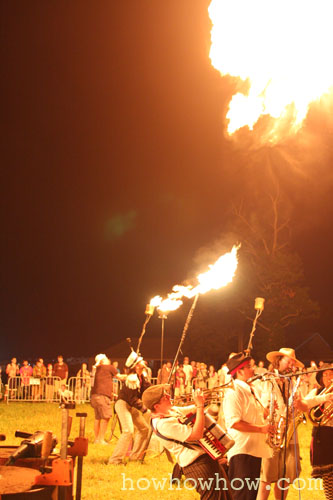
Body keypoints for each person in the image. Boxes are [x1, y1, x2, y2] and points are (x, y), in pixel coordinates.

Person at [142, 383, 232, 500]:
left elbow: (194, 410)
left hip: (205, 458)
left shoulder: (171, 411)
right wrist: (200, 406)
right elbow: (196, 434)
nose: (169, 396)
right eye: (165, 397)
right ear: (156, 406)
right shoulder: (163, 424)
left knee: (227, 496)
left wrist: (202, 400)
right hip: (196, 465)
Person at [223, 352, 273, 500]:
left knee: (250, 495)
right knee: (241, 495)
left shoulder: (251, 389)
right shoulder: (234, 391)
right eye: (250, 366)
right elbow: (234, 422)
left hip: (254, 449)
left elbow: (253, 416)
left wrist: (266, 412)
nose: (254, 369)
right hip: (242, 451)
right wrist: (261, 429)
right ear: (240, 371)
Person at [257, 347, 304, 500]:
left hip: (288, 434)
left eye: (293, 362)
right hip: (272, 434)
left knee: (284, 478)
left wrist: (297, 406)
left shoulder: (292, 382)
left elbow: (298, 408)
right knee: (267, 478)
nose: (292, 365)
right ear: (278, 361)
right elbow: (260, 407)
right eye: (289, 361)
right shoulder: (267, 380)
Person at [294, 363, 333, 500]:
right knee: (328, 477)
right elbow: (305, 404)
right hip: (322, 438)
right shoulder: (316, 393)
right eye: (325, 374)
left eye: (331, 374)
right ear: (321, 378)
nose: (329, 377)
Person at [108, 351, 150, 464]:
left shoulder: (142, 376)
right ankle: (115, 460)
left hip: (131, 406)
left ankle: (135, 457)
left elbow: (148, 391)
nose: (143, 361)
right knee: (128, 431)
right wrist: (145, 410)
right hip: (123, 404)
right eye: (140, 360)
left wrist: (160, 391)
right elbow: (132, 399)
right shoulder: (132, 379)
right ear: (136, 365)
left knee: (144, 429)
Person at [90, 354, 125, 444]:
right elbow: (120, 377)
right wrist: (131, 376)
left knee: (98, 418)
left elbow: (101, 381)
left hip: (94, 396)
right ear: (103, 360)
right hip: (102, 396)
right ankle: (101, 440)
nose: (108, 359)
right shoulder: (109, 367)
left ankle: (96, 439)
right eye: (106, 358)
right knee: (106, 417)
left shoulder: (96, 369)